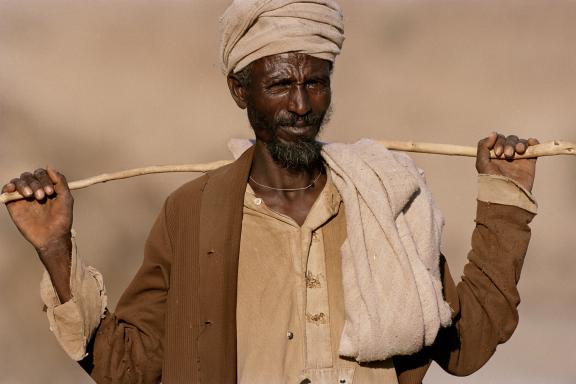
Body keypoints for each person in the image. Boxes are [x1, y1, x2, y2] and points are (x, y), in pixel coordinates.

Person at [2, 1, 539, 383]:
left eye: (316, 82)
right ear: (241, 90)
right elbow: (130, 368)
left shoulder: (384, 201)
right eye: (280, 85)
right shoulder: (191, 215)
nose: (302, 106)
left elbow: (467, 344)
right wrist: (55, 249)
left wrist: (505, 201)